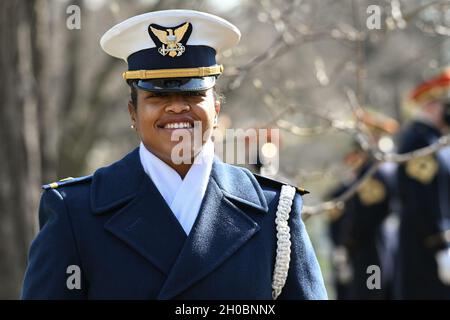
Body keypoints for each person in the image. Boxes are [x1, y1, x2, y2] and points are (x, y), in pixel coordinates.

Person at [21, 10, 327, 300]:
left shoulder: (275, 212)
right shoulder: (76, 213)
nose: (178, 107)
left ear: (216, 110)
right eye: (158, 95)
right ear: (133, 112)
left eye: (193, 94)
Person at [326, 110, 398, 299]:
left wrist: (346, 245)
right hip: (378, 248)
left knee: (371, 294)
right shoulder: (381, 170)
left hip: (370, 253)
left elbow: (364, 219)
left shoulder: (372, 175)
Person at [395, 68, 450, 299]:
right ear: (432, 106)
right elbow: (424, 199)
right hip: (425, 248)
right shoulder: (420, 141)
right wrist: (440, 247)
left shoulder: (433, 140)